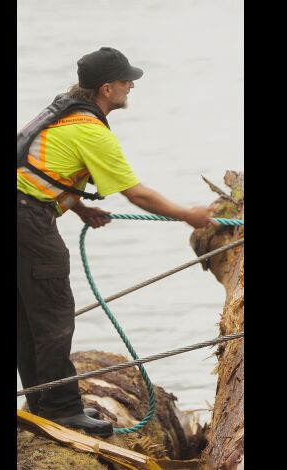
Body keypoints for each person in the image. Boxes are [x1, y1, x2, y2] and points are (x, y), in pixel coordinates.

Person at [17, 46, 215, 437]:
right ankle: (62, 410)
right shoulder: (90, 130)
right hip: (28, 222)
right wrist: (189, 215)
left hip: (24, 212)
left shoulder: (64, 114)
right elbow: (137, 194)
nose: (132, 86)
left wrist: (77, 208)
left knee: (27, 315)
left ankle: (42, 402)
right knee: (54, 313)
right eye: (127, 81)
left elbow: (39, 172)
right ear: (107, 89)